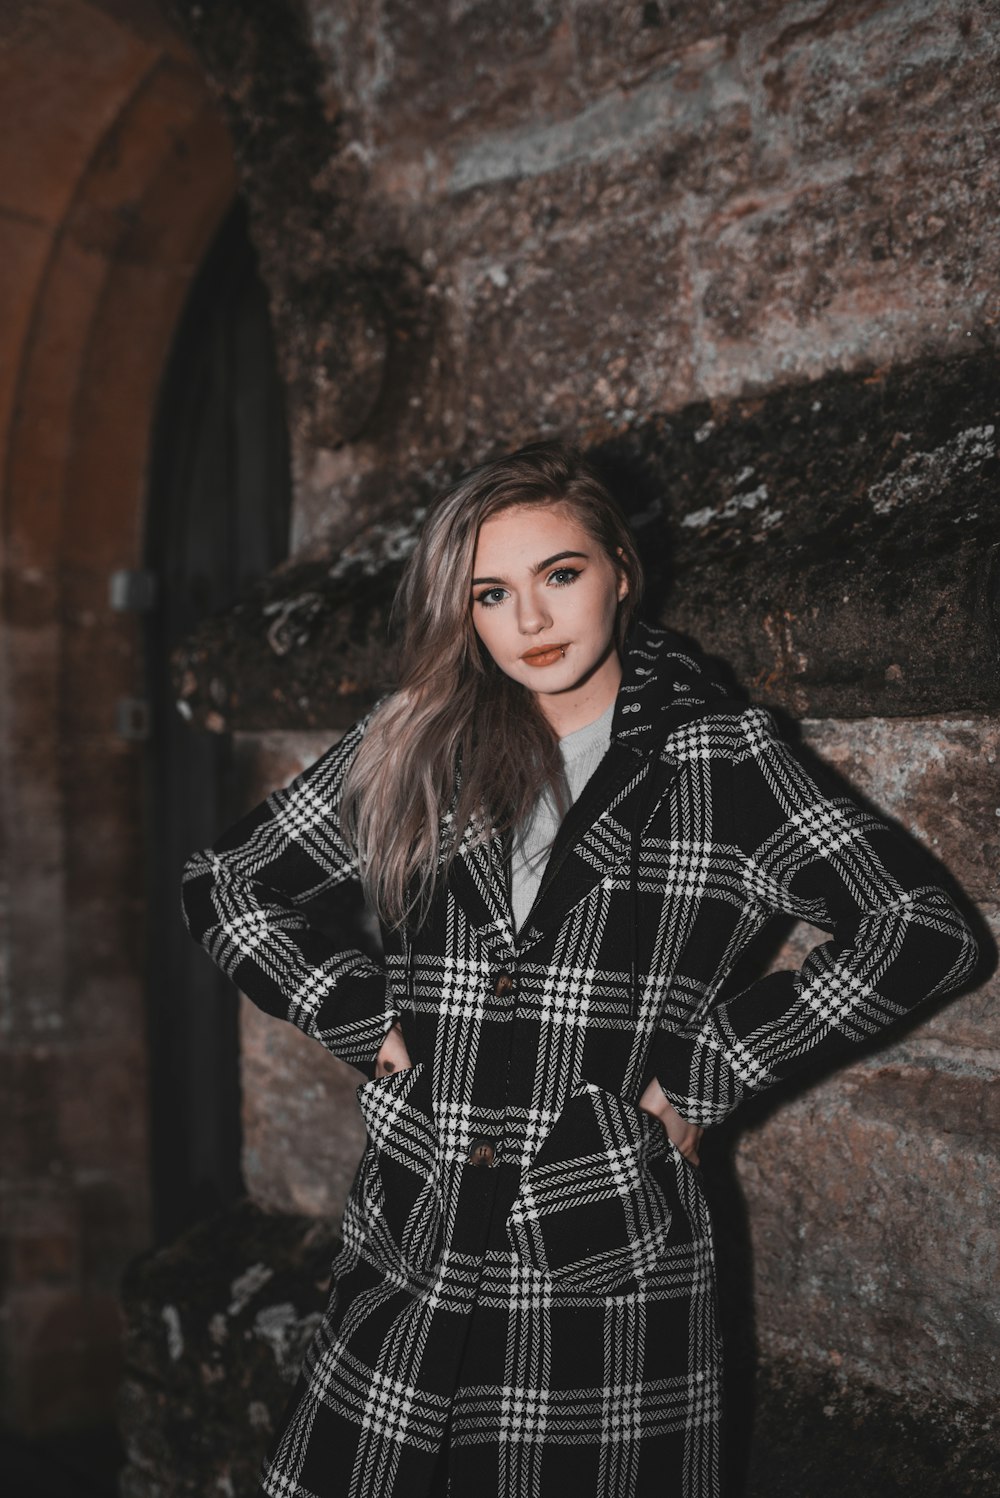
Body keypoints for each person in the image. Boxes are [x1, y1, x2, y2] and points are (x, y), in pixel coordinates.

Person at [180, 440, 978, 1498]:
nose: (532, 620)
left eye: (559, 575)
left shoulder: (716, 756)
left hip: (599, 1260)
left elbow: (919, 927)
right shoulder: (415, 739)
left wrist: (704, 1076)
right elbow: (226, 879)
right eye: (491, 593)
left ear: (618, 568)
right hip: (411, 1241)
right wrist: (356, 1013)